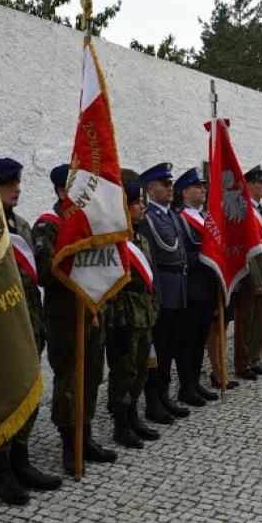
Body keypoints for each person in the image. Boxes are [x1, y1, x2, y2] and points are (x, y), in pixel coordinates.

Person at [33, 164, 117, 475]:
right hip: (65, 315)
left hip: (92, 311)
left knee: (92, 376)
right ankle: (70, 442)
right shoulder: (48, 225)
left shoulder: (90, 222)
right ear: (61, 191)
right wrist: (73, 256)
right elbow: (44, 274)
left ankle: (86, 434)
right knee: (69, 379)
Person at [0, 157, 62, 503]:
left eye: (18, 182)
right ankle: (0, 467)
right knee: (4, 397)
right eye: (9, 183)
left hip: (31, 324)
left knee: (28, 393)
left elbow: (40, 276)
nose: (17, 189)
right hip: (2, 331)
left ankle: (21, 457)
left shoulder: (21, 226)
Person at [106, 180, 160, 448]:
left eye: (141, 202)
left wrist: (154, 310)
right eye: (135, 202)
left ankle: (133, 415)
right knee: (123, 371)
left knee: (140, 370)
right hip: (125, 317)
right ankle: (121, 423)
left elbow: (150, 281)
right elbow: (112, 286)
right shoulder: (115, 243)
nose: (141, 207)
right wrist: (117, 323)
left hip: (144, 315)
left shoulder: (141, 240)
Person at [138, 162, 190, 423]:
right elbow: (151, 261)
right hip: (163, 293)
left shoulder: (172, 216)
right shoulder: (147, 218)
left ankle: (165, 396)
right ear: (151, 188)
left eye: (171, 184)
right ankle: (153, 401)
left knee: (169, 347)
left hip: (178, 290)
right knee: (157, 350)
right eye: (165, 184)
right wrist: (156, 294)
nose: (171, 188)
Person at [174, 167, 218, 404]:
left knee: (201, 338)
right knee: (187, 340)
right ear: (185, 192)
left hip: (208, 286)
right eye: (198, 186)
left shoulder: (206, 217)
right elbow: (183, 253)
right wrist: (208, 257)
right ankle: (186, 386)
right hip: (191, 288)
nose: (203, 190)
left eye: (203, 186)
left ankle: (195, 381)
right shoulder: (181, 218)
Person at [234, 166, 262, 379]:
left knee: (259, 319)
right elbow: (244, 247)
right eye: (260, 183)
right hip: (250, 273)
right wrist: (256, 279)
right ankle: (242, 364)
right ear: (249, 185)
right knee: (246, 321)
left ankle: (254, 358)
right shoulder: (243, 210)